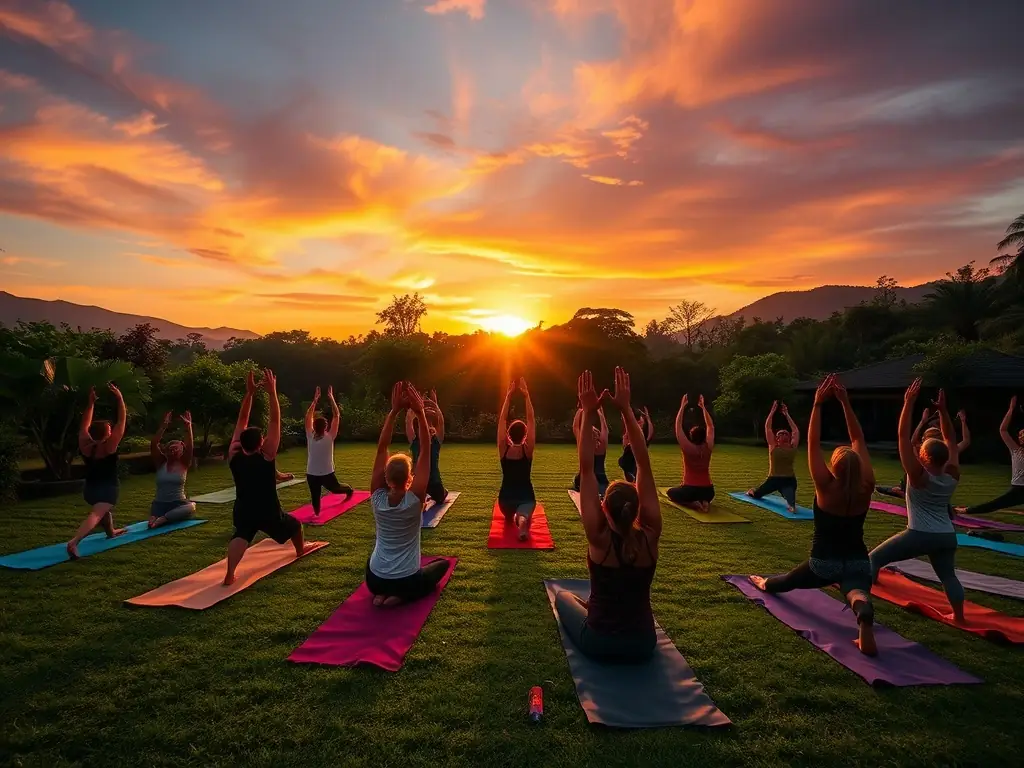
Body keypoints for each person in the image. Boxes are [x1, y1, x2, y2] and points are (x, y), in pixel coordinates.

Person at [749, 374, 878, 656]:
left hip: (823, 563)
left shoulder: (826, 485)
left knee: (783, 581)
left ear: (835, 467)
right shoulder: (866, 485)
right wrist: (845, 403)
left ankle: (764, 583)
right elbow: (858, 437)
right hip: (858, 562)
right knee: (855, 590)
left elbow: (813, 440)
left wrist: (818, 404)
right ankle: (862, 608)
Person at [553, 368, 662, 663]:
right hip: (643, 643)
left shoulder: (599, 539)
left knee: (564, 597)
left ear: (603, 508)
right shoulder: (650, 535)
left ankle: (590, 607)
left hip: (599, 642)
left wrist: (588, 411)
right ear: (637, 507)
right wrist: (626, 409)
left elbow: (586, 469)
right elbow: (644, 465)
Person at [870, 379, 966, 624]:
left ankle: (864, 592)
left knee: (874, 559)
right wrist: (944, 411)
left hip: (919, 534)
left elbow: (902, 435)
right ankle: (959, 617)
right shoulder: (953, 473)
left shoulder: (917, 475)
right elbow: (951, 439)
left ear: (923, 456)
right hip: (946, 535)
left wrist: (908, 403)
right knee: (949, 577)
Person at [223, 370, 311, 586]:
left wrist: (249, 394)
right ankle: (300, 550)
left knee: (241, 535)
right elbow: (274, 421)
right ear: (260, 442)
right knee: (295, 524)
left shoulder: (234, 454)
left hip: (243, 508)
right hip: (267, 509)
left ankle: (229, 574)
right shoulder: (266, 455)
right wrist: (272, 392)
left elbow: (242, 420)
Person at [368, 381, 450, 607]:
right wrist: (421, 412)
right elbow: (425, 447)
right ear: (410, 478)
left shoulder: (376, 497)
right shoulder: (415, 499)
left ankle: (381, 595)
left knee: (379, 567)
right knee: (441, 564)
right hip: (406, 580)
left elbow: (382, 447)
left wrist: (394, 411)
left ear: (386, 477)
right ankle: (398, 596)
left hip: (374, 578)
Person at [67, 384, 128, 559]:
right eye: (109, 429)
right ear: (106, 433)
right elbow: (121, 422)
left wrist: (90, 404)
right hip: (107, 488)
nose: (112, 430)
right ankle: (74, 542)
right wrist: (120, 399)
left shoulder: (86, 444)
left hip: (90, 489)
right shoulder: (109, 446)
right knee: (97, 513)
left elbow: (84, 425)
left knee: (102, 511)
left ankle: (111, 531)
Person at [877, 408, 970, 498]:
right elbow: (965, 441)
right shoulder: (948, 453)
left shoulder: (925, 453)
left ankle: (900, 491)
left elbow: (909, 440)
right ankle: (900, 490)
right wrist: (962, 421)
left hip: (924, 489)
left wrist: (922, 421)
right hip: (938, 491)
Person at [955, 396, 1024, 517]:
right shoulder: (1015, 450)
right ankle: (966, 511)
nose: (1021, 436)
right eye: (1020, 435)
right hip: (1018, 489)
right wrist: (1011, 409)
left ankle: (966, 510)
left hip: (1019, 489)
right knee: (995, 504)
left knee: (995, 504)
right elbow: (1003, 430)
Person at [496, 377, 537, 541]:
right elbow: (531, 420)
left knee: (509, 515)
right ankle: (522, 521)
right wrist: (527, 396)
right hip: (526, 497)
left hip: (505, 501)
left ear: (509, 434)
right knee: (524, 512)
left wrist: (508, 396)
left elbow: (502, 420)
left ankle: (514, 517)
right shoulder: (527, 451)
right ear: (525, 434)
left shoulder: (503, 449)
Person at [304, 385, 353, 516]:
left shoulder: (321, 436)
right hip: (316, 473)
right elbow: (336, 415)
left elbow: (308, 417)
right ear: (325, 426)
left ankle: (349, 490)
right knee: (319, 494)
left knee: (332, 490)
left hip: (321, 473)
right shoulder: (325, 435)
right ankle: (316, 515)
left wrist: (315, 401)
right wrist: (331, 398)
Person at [746, 401, 800, 513]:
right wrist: (772, 411)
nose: (784, 434)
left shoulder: (792, 446)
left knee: (791, 504)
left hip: (789, 480)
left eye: (786, 433)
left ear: (789, 437)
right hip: (773, 479)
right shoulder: (773, 446)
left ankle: (791, 504)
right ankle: (753, 491)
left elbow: (795, 431)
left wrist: (787, 414)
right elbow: (768, 428)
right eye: (781, 434)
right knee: (756, 495)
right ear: (777, 439)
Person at [148, 410, 197, 529]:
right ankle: (156, 518)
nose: (173, 451)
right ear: (165, 450)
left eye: (177, 449)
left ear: (181, 452)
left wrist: (188, 426)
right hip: (159, 504)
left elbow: (190, 445)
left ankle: (163, 519)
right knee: (153, 519)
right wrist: (164, 426)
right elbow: (154, 443)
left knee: (191, 506)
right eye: (171, 448)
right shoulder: (160, 463)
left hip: (178, 503)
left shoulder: (184, 463)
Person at [666, 394, 715, 512]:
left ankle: (695, 504)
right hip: (709, 491)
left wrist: (682, 406)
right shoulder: (708, 447)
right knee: (703, 494)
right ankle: (704, 501)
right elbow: (711, 427)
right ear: (704, 436)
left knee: (670, 493)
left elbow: (678, 427)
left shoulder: (688, 448)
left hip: (690, 490)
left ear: (691, 437)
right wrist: (703, 408)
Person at [406, 389, 448, 505]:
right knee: (415, 504)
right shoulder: (415, 442)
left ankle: (442, 493)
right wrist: (415, 406)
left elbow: (441, 423)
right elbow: (409, 421)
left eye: (431, 427)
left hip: (434, 483)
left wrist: (436, 405)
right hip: (418, 483)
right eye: (425, 427)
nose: (429, 429)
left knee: (440, 498)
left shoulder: (436, 443)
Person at [572, 405, 609, 497]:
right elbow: (605, 428)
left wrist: (582, 410)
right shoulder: (601, 447)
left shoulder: (583, 446)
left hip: (586, 479)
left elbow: (575, 427)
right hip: (600, 479)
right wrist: (601, 414)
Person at [618, 406, 654, 482]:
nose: (643, 422)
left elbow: (650, 432)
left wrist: (647, 417)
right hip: (630, 462)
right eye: (641, 420)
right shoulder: (629, 435)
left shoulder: (643, 437)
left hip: (634, 462)